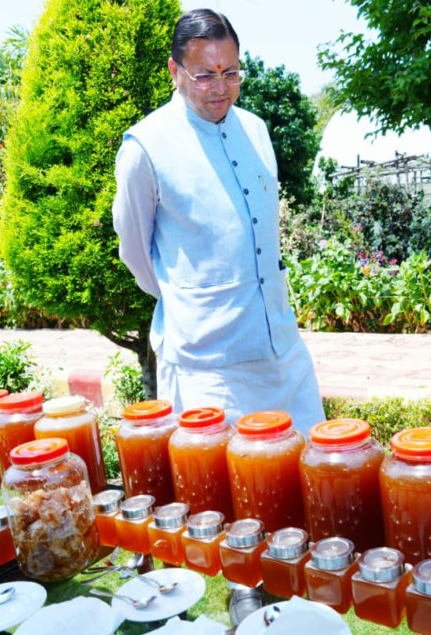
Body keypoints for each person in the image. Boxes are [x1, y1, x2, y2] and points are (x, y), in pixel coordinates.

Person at [113, 8, 325, 434]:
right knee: (223, 498)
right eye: (204, 75)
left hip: (283, 355)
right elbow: (136, 253)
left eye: (231, 73)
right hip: (207, 369)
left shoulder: (257, 130)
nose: (220, 88)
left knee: (307, 485)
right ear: (175, 70)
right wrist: (192, 298)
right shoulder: (145, 147)